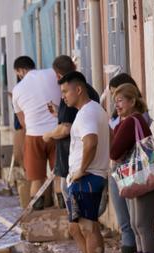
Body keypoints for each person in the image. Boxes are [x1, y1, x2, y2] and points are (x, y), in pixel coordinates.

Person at [59, 71, 112, 253]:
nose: (63, 97)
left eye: (65, 91)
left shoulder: (88, 113)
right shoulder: (91, 112)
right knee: (75, 227)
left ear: (78, 89)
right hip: (84, 177)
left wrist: (81, 169)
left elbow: (91, 142)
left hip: (87, 177)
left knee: (88, 227)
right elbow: (108, 133)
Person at [109, 83, 154, 253]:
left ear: (132, 101)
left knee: (142, 225)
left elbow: (114, 151)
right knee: (137, 224)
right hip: (137, 177)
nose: (117, 106)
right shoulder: (129, 121)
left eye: (120, 101)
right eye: (115, 102)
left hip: (144, 176)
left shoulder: (132, 121)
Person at [43, 55, 100, 210]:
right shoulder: (90, 92)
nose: (63, 96)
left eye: (64, 92)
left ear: (58, 74)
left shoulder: (73, 94)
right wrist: (58, 112)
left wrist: (48, 135)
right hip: (85, 162)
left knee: (75, 205)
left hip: (75, 159)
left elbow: (66, 128)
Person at [12, 56, 62, 210]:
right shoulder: (51, 73)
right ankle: (63, 210)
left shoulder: (17, 89)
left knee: (36, 178)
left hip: (34, 136)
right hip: (57, 132)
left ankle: (38, 214)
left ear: (21, 71)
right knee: (60, 174)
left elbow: (22, 122)